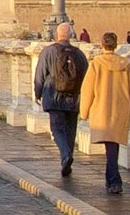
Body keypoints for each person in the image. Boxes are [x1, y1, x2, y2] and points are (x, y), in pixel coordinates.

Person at [78, 31, 130, 196]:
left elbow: (87, 90)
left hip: (101, 110)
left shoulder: (96, 63)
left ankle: (114, 180)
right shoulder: (125, 64)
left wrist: (83, 112)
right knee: (113, 146)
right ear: (116, 45)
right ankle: (112, 180)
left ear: (102, 44)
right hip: (120, 109)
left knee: (110, 148)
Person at [32, 22, 88, 178]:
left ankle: (65, 156)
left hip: (53, 97)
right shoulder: (79, 54)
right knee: (70, 130)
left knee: (57, 129)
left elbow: (40, 74)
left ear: (57, 35)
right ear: (70, 35)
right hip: (74, 98)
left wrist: (37, 93)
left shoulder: (48, 52)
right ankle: (67, 158)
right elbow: (86, 76)